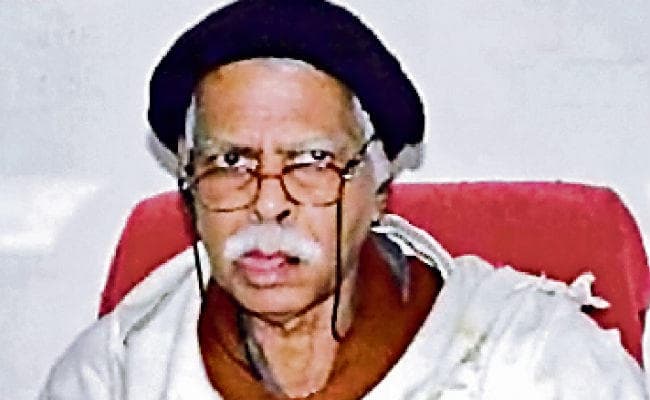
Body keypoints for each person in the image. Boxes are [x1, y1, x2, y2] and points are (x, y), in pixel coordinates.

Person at [40, 1, 646, 399]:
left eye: (311, 162)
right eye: (230, 163)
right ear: (190, 191)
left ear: (378, 189)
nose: (267, 203)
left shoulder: (532, 360)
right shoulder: (116, 372)